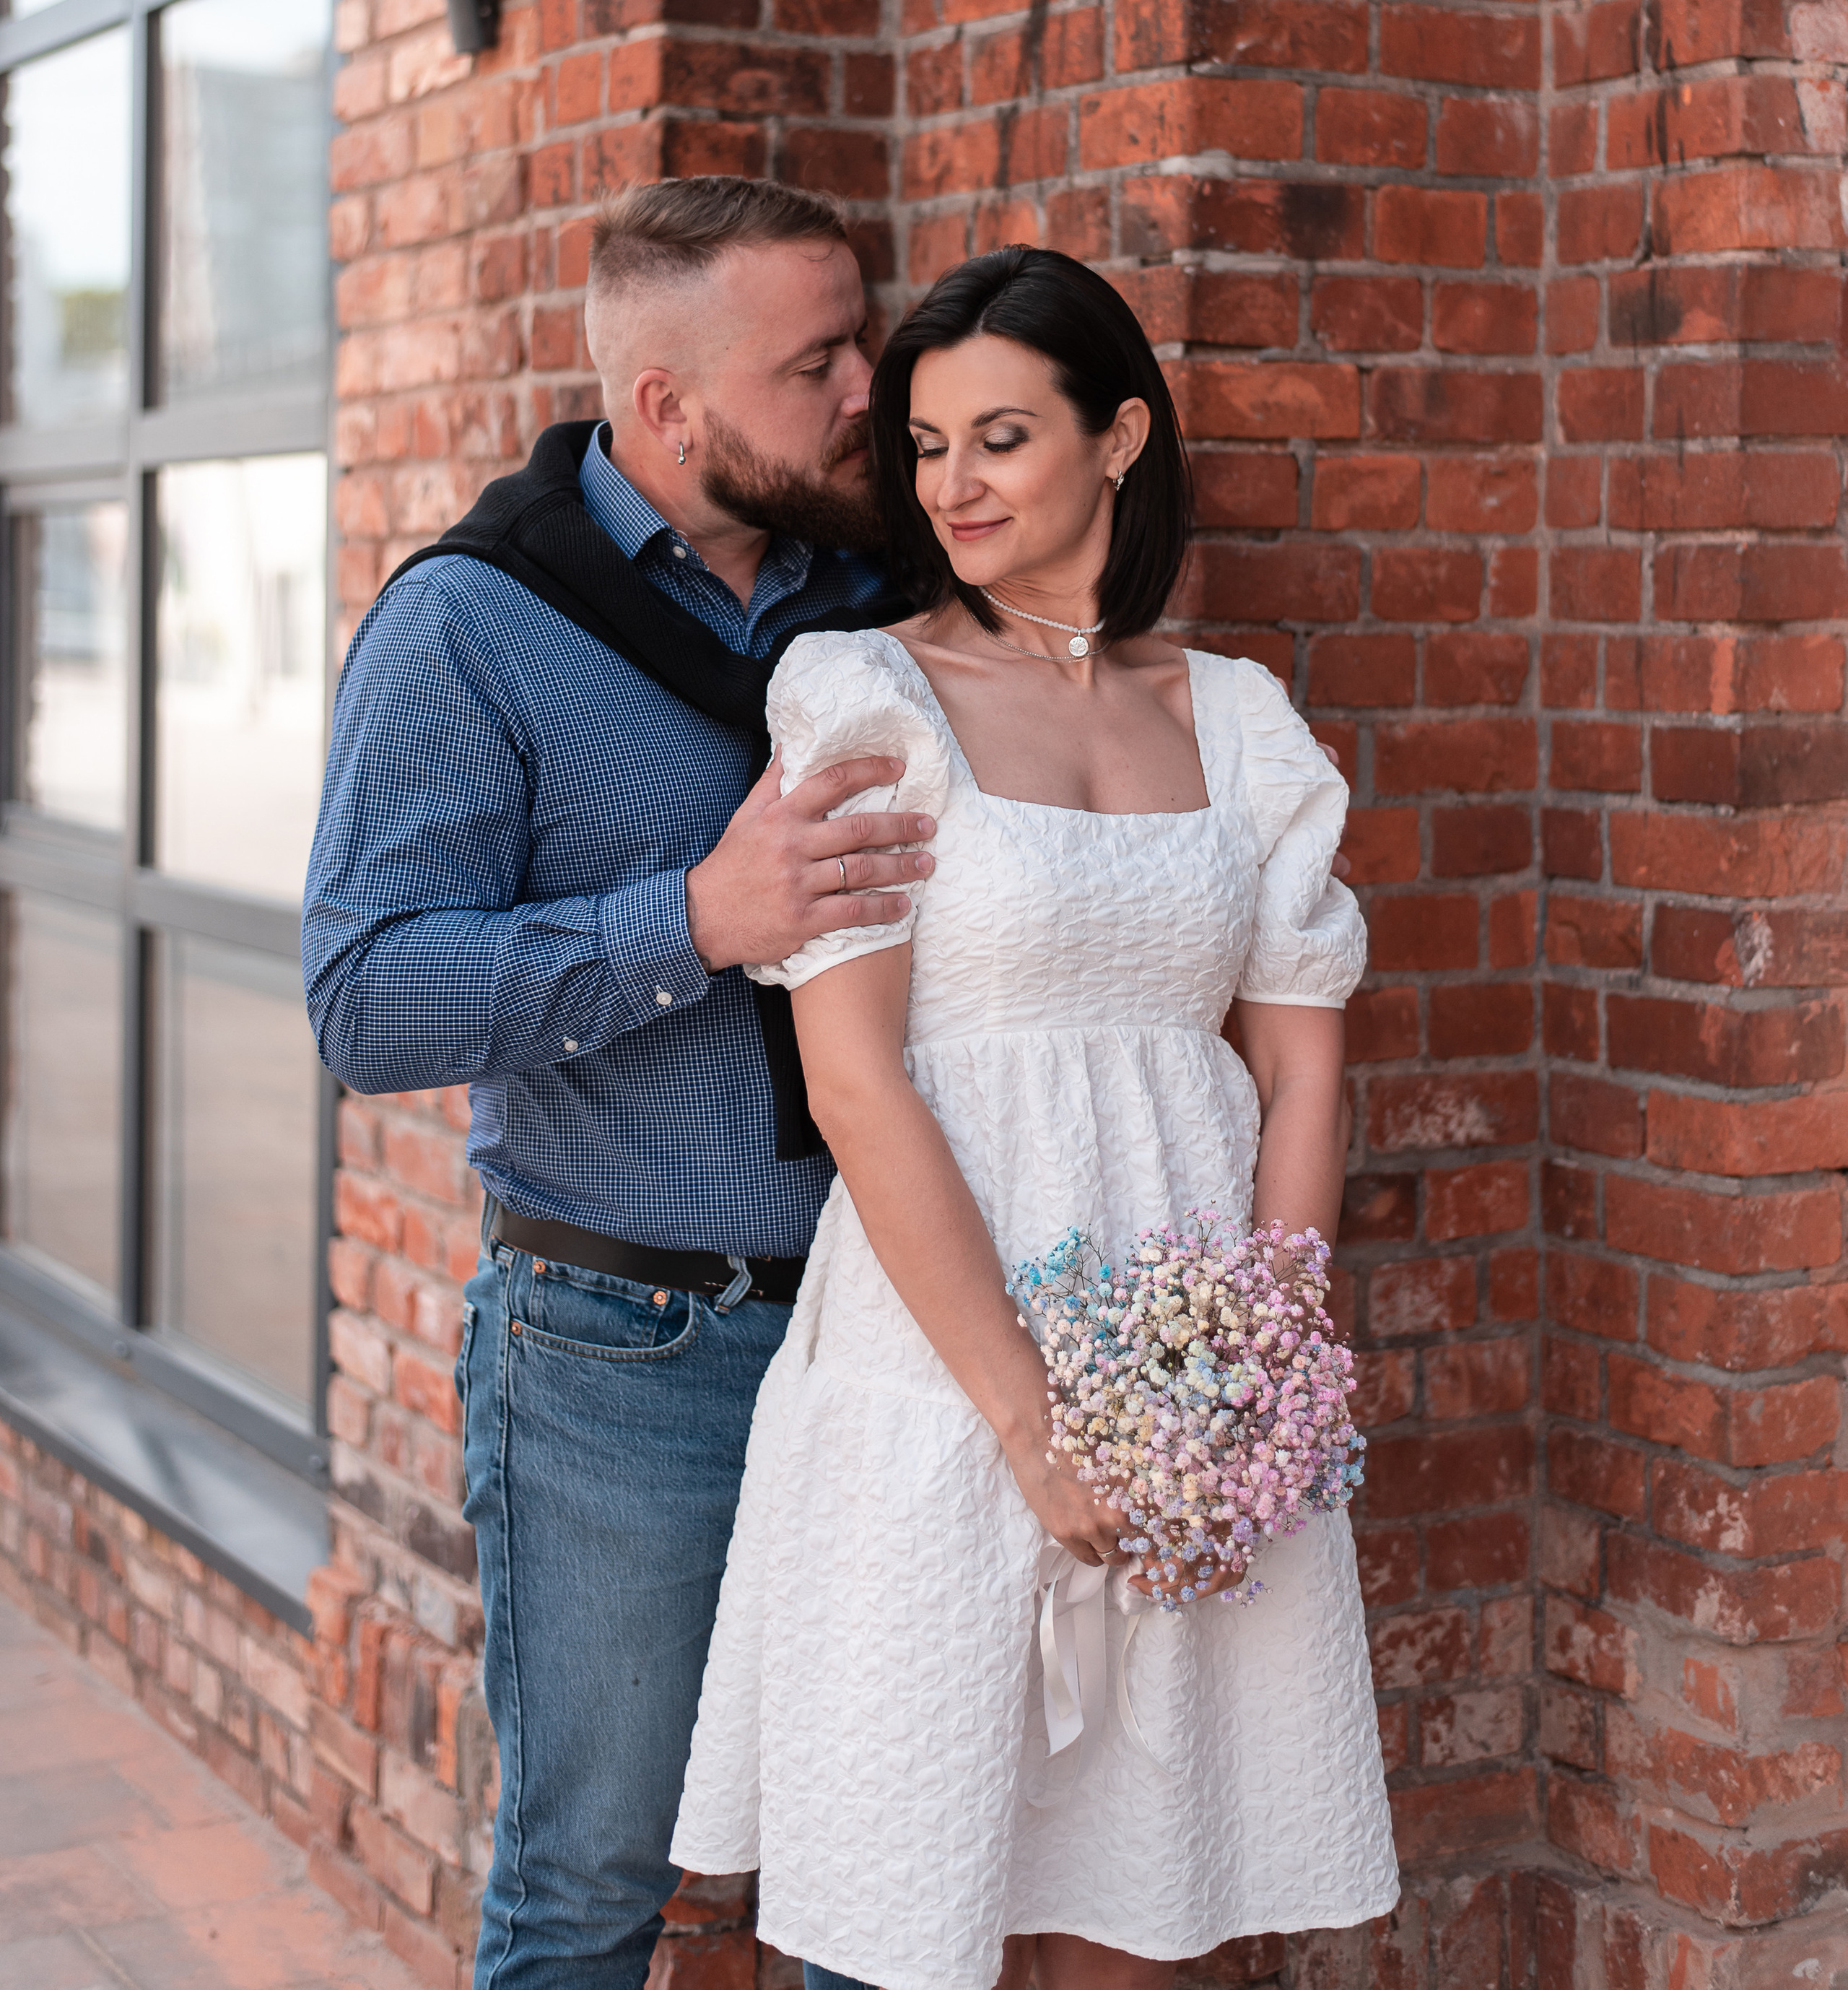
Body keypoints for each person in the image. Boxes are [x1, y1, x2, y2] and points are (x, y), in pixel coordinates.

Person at [671, 244, 1399, 1990]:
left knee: (1144, 1911)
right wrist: (1025, 1422)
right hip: (944, 1355)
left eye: (999, 436)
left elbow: (1298, 1064)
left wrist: (1255, 1361)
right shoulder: (867, 696)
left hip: (1183, 1354)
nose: (952, 485)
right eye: (925, 446)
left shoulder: (1238, 724)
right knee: (913, 1898)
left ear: (1120, 435)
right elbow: (854, 1074)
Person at [304, 176, 937, 1990]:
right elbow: (364, 998)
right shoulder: (472, 627)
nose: (863, 391)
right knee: (593, 1881)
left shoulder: (886, 591)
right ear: (665, 409)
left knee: (877, 1878)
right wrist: (694, 917)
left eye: (863, 341)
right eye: (815, 360)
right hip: (616, 1353)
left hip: (887, 1337)